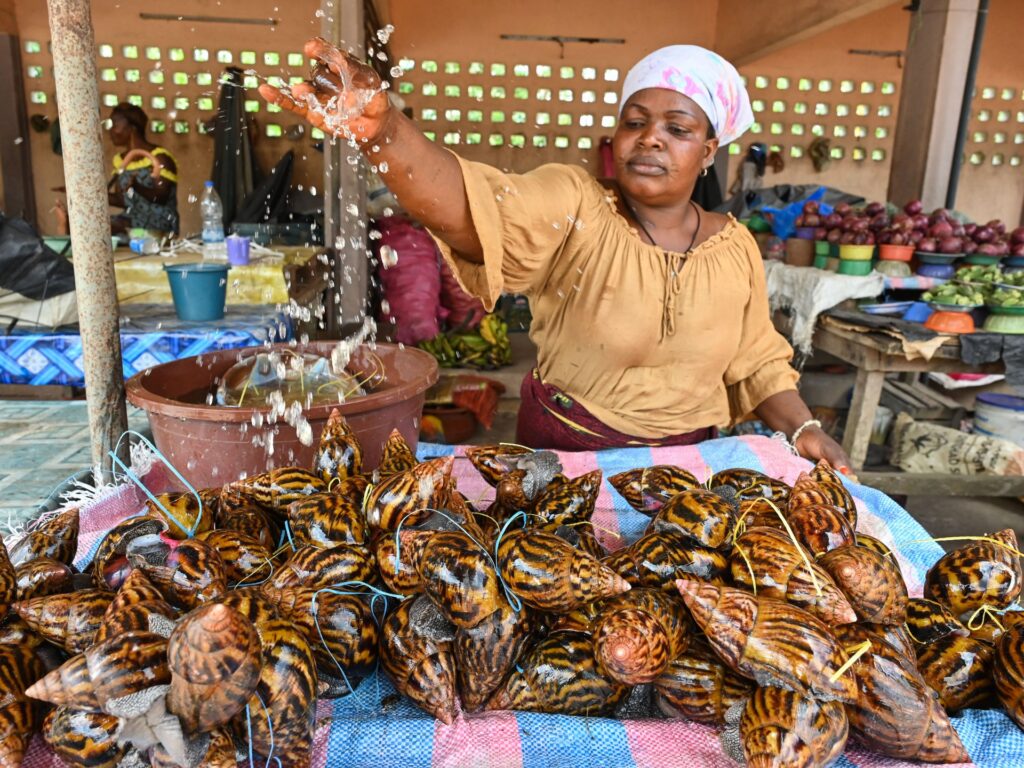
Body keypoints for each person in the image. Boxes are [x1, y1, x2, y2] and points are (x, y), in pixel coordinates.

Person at [261, 40, 851, 470]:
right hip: (568, 454)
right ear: (615, 138)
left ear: (708, 149)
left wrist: (803, 428)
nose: (650, 138)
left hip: (690, 466)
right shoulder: (577, 207)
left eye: (678, 128)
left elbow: (755, 361)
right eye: (635, 122)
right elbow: (472, 207)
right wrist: (385, 132)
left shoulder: (735, 247)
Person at [107, 103, 180, 235]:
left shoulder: (160, 158)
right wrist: (86, 194)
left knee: (110, 227)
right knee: (100, 225)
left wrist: (137, 187)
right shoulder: (120, 160)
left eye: (115, 124)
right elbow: (122, 199)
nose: (110, 130)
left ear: (132, 127)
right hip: (132, 219)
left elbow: (161, 197)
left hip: (158, 222)